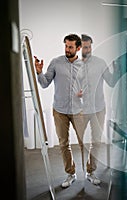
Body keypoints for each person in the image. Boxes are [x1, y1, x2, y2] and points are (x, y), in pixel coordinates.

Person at [34, 34, 85, 188]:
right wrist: (39, 72)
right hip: (60, 110)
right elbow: (44, 84)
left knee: (85, 143)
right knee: (64, 144)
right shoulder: (56, 62)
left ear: (78, 48)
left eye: (70, 47)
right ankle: (70, 173)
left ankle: (89, 172)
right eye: (66, 46)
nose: (67, 49)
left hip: (78, 110)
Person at [77, 34, 119, 185]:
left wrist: (117, 70)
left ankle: (91, 171)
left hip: (98, 109)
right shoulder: (73, 64)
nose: (87, 50)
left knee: (96, 141)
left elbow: (111, 82)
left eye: (89, 47)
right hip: (79, 109)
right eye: (84, 47)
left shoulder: (100, 63)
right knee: (79, 142)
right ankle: (75, 173)